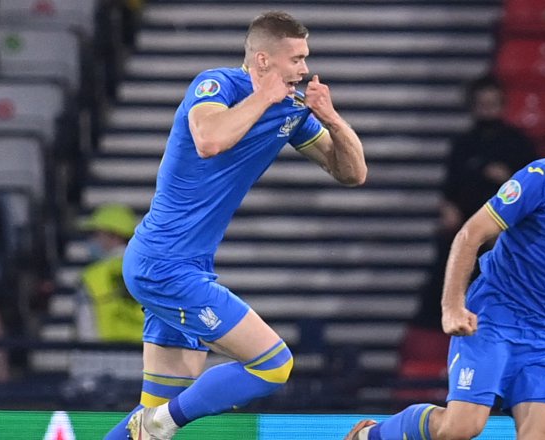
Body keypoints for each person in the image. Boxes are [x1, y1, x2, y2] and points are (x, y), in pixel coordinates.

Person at [104, 11, 367, 440]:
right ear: (263, 60)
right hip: (163, 264)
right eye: (296, 59)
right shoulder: (217, 85)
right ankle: (161, 423)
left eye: (305, 58)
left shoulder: (292, 111)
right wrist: (263, 98)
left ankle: (153, 422)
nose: (304, 69)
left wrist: (331, 118)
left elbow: (353, 173)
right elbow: (209, 140)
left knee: (152, 413)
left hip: (188, 265)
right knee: (273, 364)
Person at [346, 93, 545, 440]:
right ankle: (371, 435)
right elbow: (470, 235)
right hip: (495, 315)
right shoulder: (542, 177)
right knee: (460, 428)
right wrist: (452, 307)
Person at [412, 74, 538, 330]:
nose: (488, 111)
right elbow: (449, 192)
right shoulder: (463, 145)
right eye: (482, 105)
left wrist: (507, 180)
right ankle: (440, 326)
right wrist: (450, 212)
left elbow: (533, 193)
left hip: (506, 227)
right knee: (450, 258)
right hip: (467, 226)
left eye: (493, 104)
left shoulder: (518, 143)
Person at [74, 203, 143, 343]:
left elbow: (86, 329)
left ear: (114, 236)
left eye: (96, 234)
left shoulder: (92, 276)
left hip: (105, 353)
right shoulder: (153, 271)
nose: (91, 240)